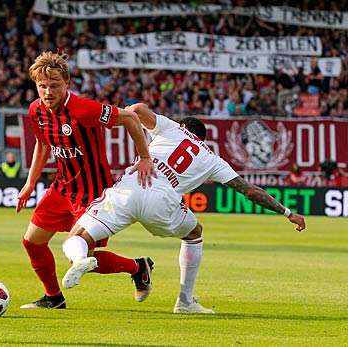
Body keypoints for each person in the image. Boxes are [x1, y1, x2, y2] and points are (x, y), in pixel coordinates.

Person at [61, 103, 306, 314]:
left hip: (130, 187)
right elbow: (250, 191)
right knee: (194, 233)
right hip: (163, 204)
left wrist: (124, 119)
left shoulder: (172, 128)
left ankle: (81, 259)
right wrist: (287, 212)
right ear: (203, 139)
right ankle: (185, 301)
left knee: (79, 237)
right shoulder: (212, 159)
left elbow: (136, 110)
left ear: (184, 126)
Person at [16, 52, 155, 309]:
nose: (48, 92)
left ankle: (138, 267)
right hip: (62, 188)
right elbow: (42, 144)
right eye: (42, 86)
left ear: (67, 83)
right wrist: (30, 183)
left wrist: (145, 157)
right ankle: (54, 298)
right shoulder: (36, 110)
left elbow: (130, 118)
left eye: (55, 85)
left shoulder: (84, 109)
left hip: (93, 194)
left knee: (79, 258)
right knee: (32, 242)